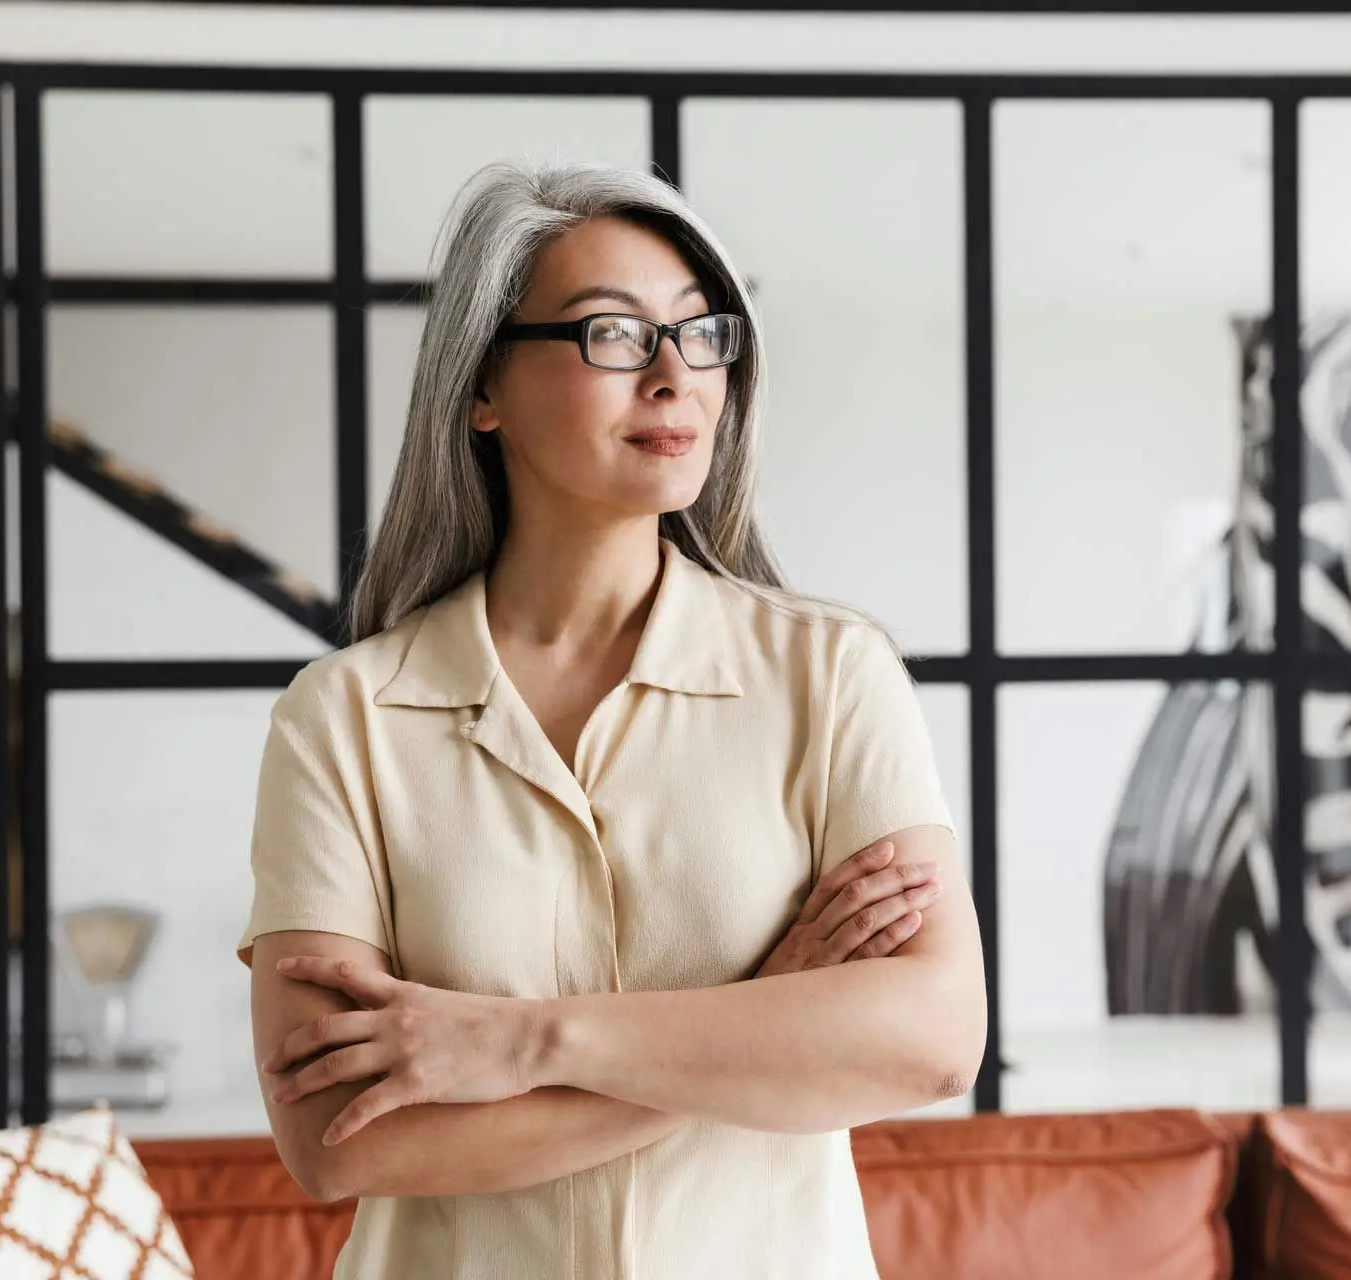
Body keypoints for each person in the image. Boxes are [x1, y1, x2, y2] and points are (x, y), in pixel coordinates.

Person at [240, 160, 986, 1279]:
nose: (677, 375)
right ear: (482, 386)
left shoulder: (833, 674)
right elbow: (344, 1136)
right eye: (613, 335)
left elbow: (932, 1038)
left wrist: (522, 1041)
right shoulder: (343, 718)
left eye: (702, 333)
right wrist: (765, 1019)